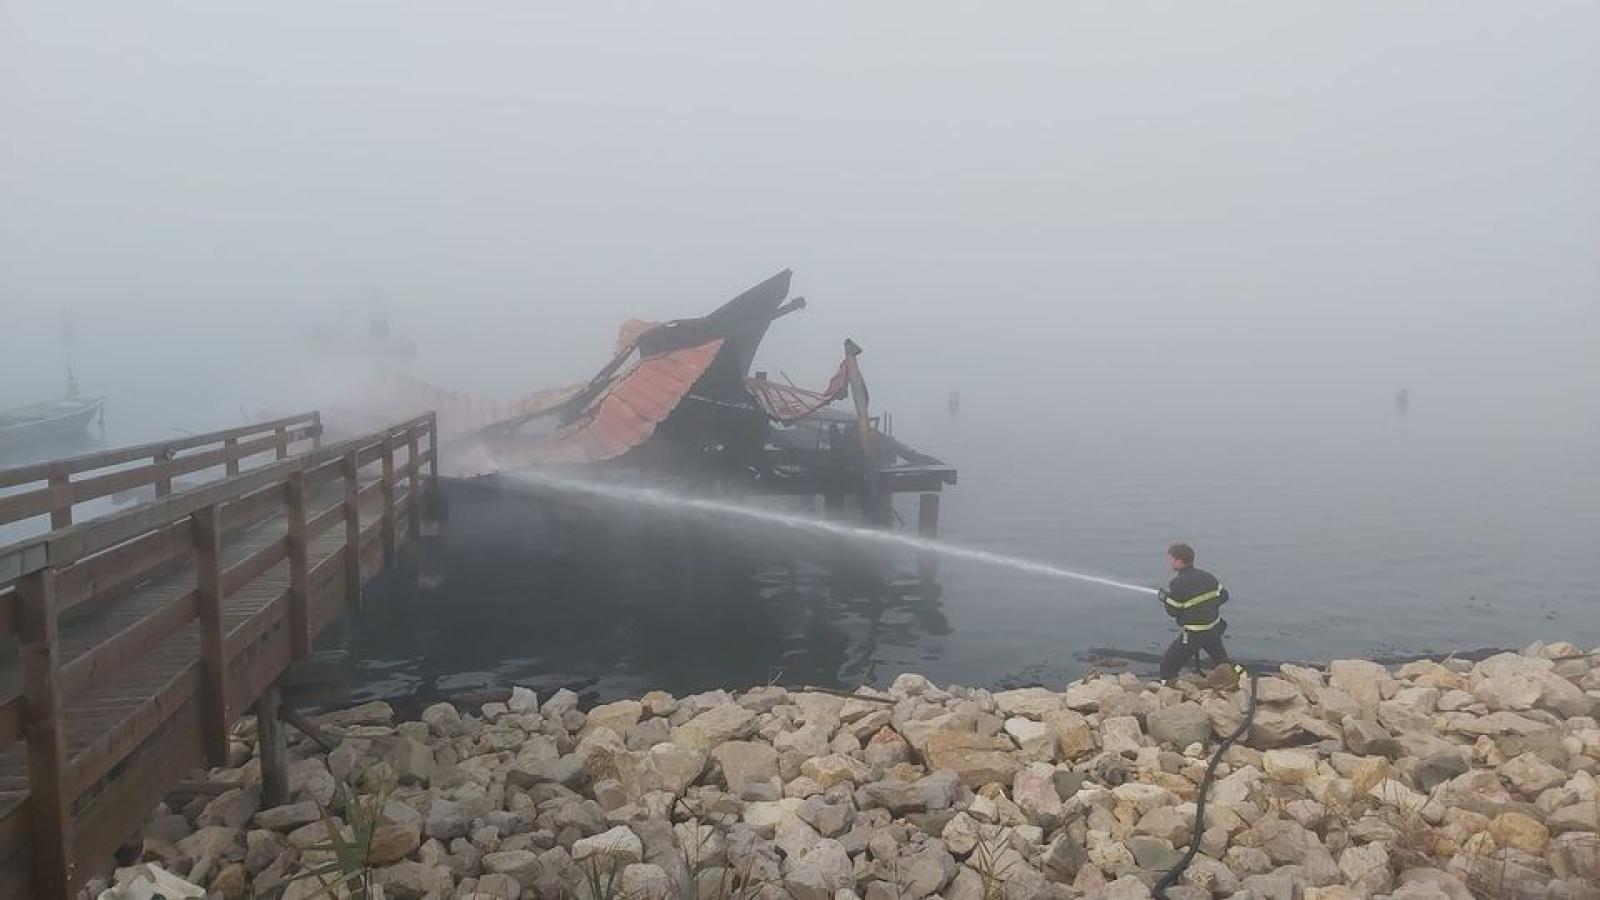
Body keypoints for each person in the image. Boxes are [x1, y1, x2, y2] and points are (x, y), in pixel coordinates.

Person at [1157, 543, 1233, 682]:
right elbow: (1224, 596)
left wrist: (1166, 599)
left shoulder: (1177, 583)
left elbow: (1173, 611)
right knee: (1224, 664)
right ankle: (1243, 679)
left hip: (1194, 634)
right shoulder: (1208, 577)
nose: (1170, 563)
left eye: (1172, 560)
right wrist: (1206, 609)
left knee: (1167, 668)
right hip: (1213, 630)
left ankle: (1170, 694)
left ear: (1179, 561)